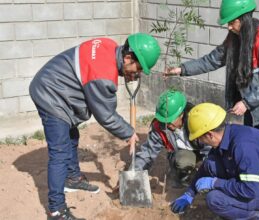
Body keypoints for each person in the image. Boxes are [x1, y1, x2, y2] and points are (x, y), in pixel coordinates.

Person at [29, 33, 161, 220]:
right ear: (128, 58)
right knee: (59, 152)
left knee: (72, 135)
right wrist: (129, 132)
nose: (137, 73)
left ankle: (73, 178)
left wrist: (126, 72)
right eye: (138, 68)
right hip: (50, 92)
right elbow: (105, 114)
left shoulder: (109, 45)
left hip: (58, 84)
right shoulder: (103, 76)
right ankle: (56, 210)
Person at [166, 0, 259, 139]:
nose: (229, 27)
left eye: (232, 22)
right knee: (251, 141)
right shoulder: (235, 39)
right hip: (253, 103)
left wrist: (246, 103)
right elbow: (211, 60)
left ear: (244, 20)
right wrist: (182, 69)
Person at [170, 103, 259, 219]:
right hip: (257, 185)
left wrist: (215, 183)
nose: (200, 142)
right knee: (211, 164)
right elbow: (206, 167)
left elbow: (249, 190)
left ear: (210, 135)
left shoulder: (243, 146)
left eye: (200, 138)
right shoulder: (226, 135)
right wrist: (190, 193)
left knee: (215, 199)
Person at [134, 90, 210, 188]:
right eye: (164, 121)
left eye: (170, 120)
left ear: (181, 114)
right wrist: (134, 173)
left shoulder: (197, 120)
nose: (167, 125)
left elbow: (209, 148)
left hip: (201, 153)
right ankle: (184, 178)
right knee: (183, 162)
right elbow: (148, 153)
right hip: (182, 155)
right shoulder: (159, 127)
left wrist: (207, 172)